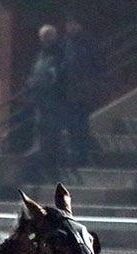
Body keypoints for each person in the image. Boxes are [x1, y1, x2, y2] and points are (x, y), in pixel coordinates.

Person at [26, 24, 66, 179]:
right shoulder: (41, 55)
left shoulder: (59, 55)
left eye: (47, 37)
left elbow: (60, 77)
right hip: (41, 101)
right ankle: (44, 165)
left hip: (53, 101)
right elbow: (35, 74)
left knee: (52, 135)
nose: (44, 41)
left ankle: (51, 166)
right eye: (42, 38)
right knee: (42, 133)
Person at [60, 16, 101, 166]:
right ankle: (75, 154)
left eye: (73, 24)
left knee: (80, 124)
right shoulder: (65, 43)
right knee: (72, 124)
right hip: (69, 91)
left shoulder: (86, 43)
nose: (70, 27)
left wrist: (90, 85)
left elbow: (94, 65)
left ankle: (81, 155)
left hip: (81, 91)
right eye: (68, 24)